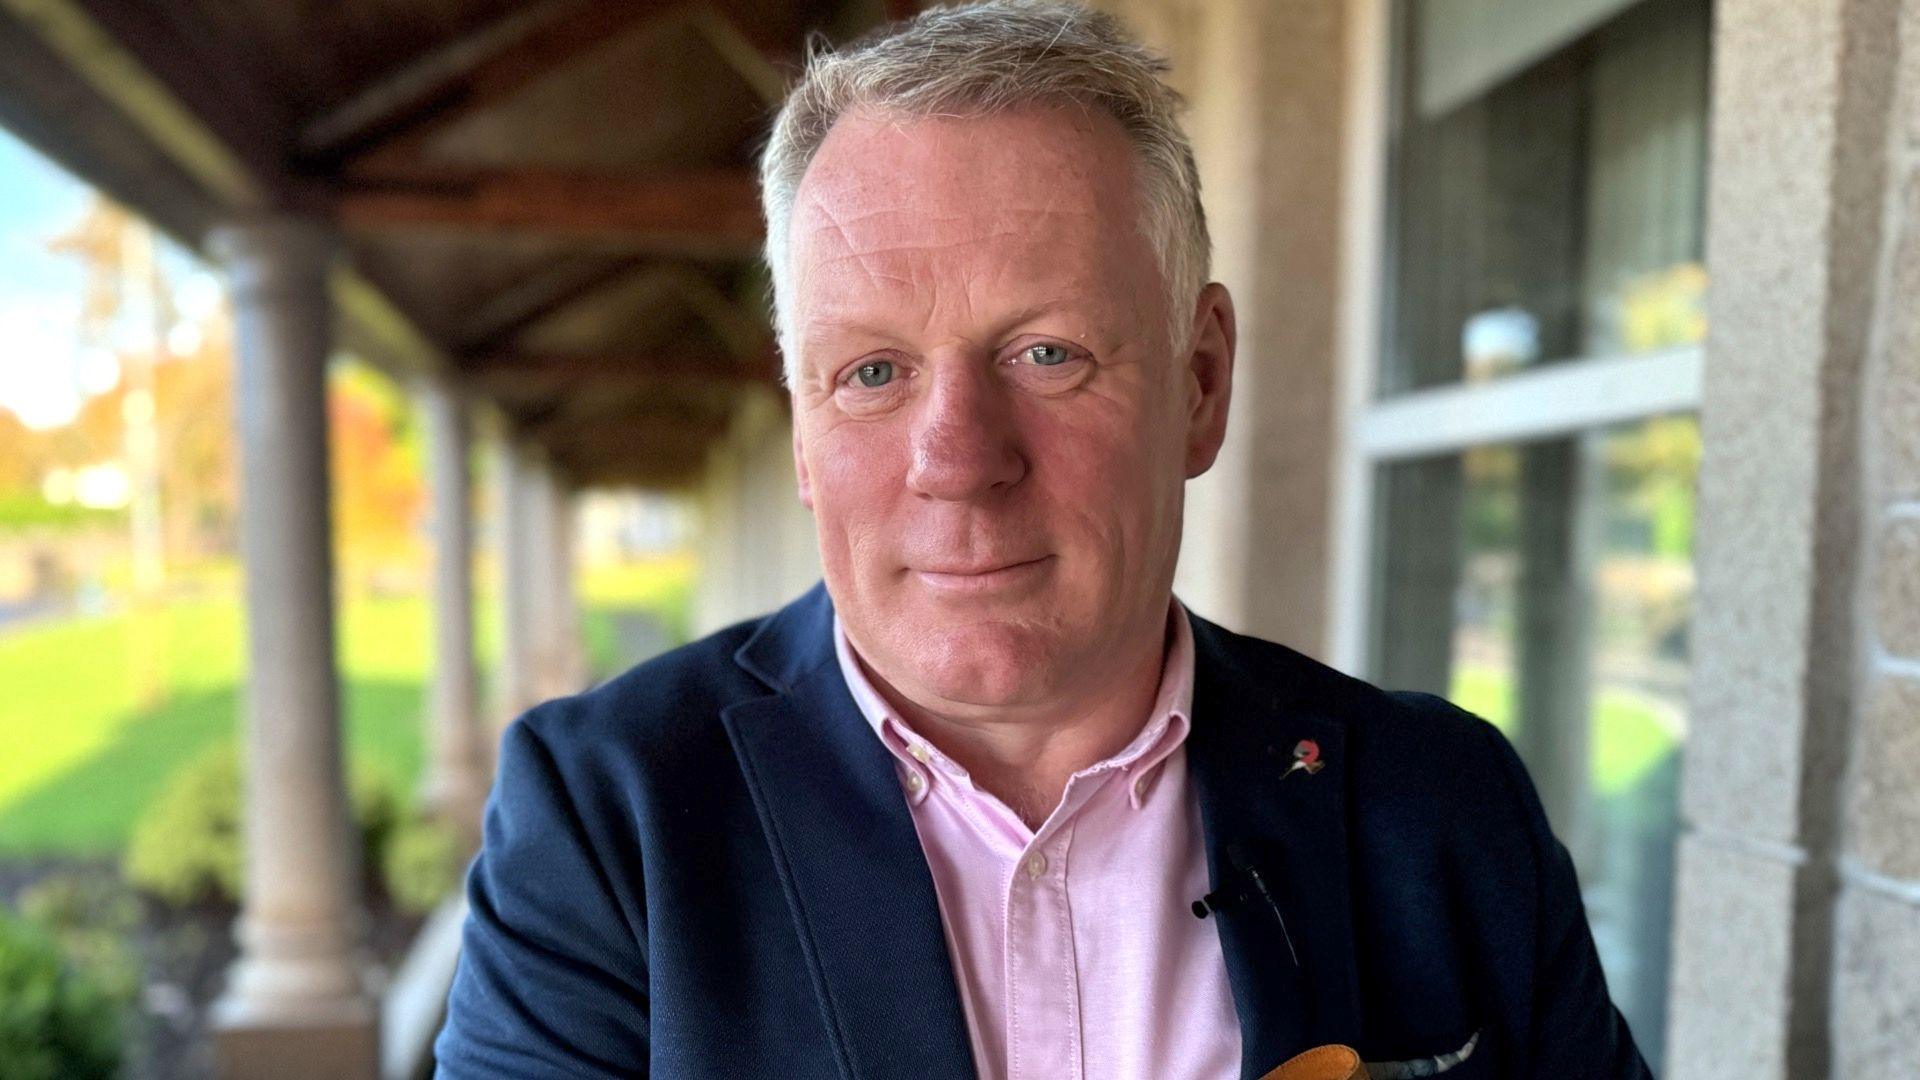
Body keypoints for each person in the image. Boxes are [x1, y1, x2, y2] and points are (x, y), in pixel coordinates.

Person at [433, 3, 1653, 1077]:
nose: (960, 462)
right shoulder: (609, 819)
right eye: (871, 372)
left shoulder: (1437, 804)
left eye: (1047, 354)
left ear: (1203, 380)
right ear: (804, 433)